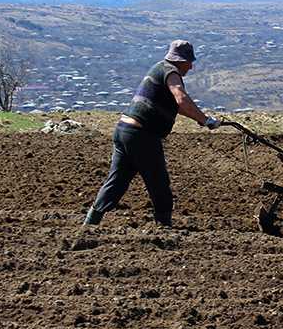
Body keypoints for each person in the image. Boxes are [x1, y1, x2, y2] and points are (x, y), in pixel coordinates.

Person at [83, 40, 220, 227]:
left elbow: (175, 105)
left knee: (116, 182)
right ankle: (164, 228)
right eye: (189, 62)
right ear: (181, 61)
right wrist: (205, 120)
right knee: (159, 184)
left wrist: (199, 118)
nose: (191, 66)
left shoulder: (160, 68)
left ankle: (89, 225)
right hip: (142, 135)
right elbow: (180, 98)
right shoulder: (171, 71)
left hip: (125, 131)